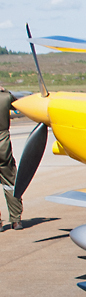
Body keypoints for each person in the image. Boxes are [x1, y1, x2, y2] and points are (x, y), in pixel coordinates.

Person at [0, 84, 22, 231]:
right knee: (9, 182)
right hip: (3, 146)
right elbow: (19, 106)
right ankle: (16, 220)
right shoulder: (5, 97)